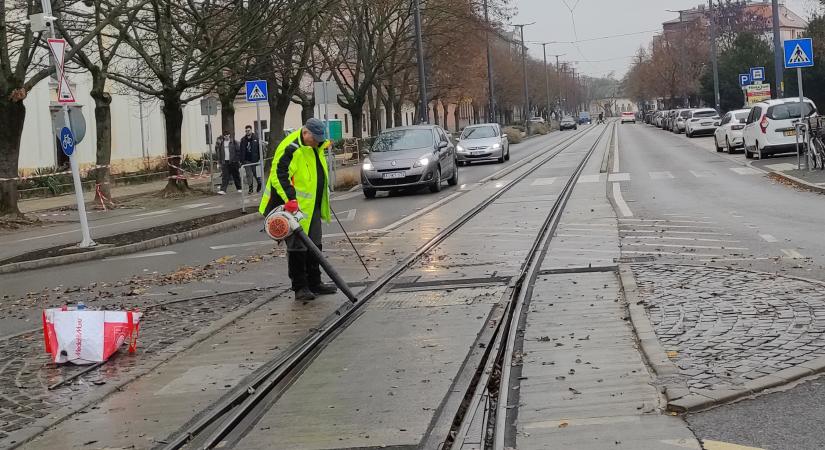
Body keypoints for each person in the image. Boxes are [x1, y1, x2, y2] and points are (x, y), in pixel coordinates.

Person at [259, 118, 337, 301]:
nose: (318, 141)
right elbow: (279, 175)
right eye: (315, 138)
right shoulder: (291, 147)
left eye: (320, 139)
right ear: (305, 133)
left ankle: (315, 282)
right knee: (298, 248)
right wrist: (290, 199)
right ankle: (300, 287)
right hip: (293, 208)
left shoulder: (315, 146)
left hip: (311, 206)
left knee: (315, 244)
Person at [216, 130, 242, 194]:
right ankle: (223, 190)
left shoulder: (234, 142)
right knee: (225, 176)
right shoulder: (222, 143)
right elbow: (220, 153)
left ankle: (239, 188)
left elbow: (238, 151)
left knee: (236, 175)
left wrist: (236, 159)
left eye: (227, 135)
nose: (226, 137)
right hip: (225, 162)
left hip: (233, 162)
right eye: (225, 136)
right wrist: (219, 162)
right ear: (224, 136)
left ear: (229, 135)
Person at [240, 125, 262, 194]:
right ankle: (250, 188)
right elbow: (241, 150)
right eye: (246, 131)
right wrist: (242, 160)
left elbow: (260, 149)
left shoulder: (256, 138)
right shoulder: (243, 140)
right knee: (249, 174)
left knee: (256, 174)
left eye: (248, 130)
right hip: (247, 160)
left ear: (251, 130)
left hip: (255, 160)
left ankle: (259, 183)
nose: (247, 132)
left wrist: (259, 158)